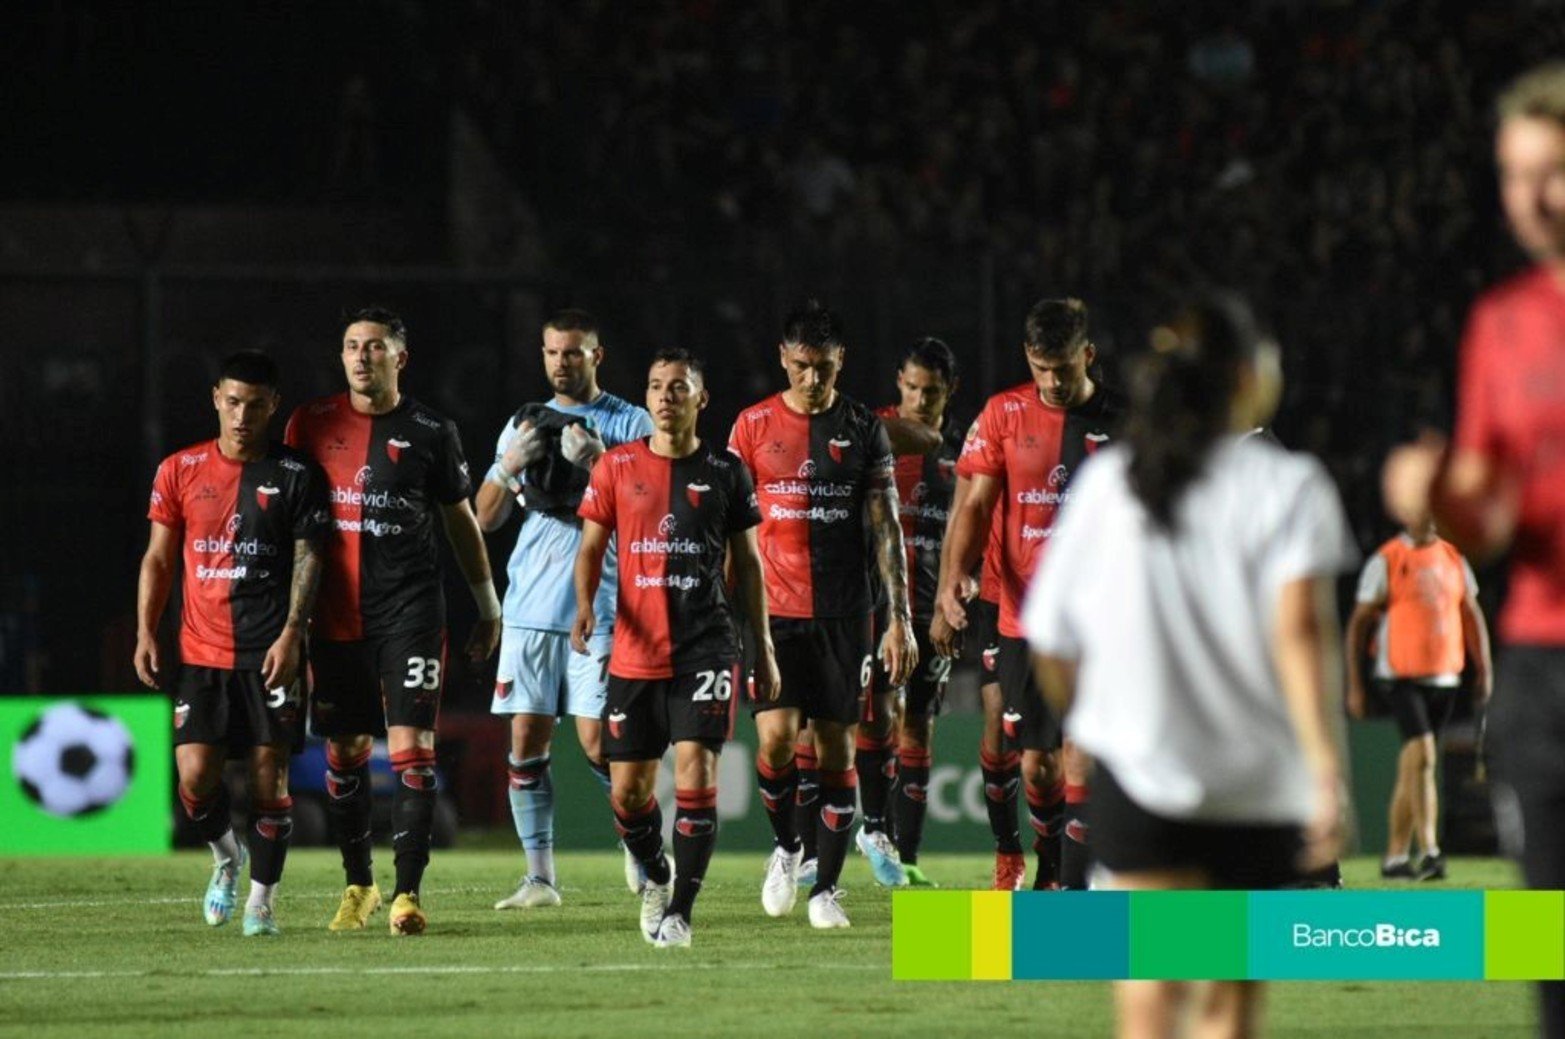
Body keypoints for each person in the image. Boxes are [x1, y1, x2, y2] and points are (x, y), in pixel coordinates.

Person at [1025, 295, 1353, 1039]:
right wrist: (1324, 770)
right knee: (1227, 1008)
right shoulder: (1288, 484)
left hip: (1142, 782)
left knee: (1149, 1004)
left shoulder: (1110, 485)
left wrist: (1098, 725)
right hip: (1255, 790)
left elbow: (1051, 640)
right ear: (1245, 377)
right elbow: (1303, 636)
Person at [1382, 63, 1565, 1039]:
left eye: (1551, 171)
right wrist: (1438, 494)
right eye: (1511, 174)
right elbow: (1490, 520)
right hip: (1543, 668)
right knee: (1553, 957)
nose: (1528, 199)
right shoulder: (1497, 327)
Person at [285, 307, 502, 936]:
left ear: (398, 358)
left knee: (413, 751)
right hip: (334, 616)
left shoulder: (432, 430)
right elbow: (293, 520)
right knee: (347, 750)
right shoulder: (311, 423)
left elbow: (461, 522)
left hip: (409, 610)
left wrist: (489, 606)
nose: (360, 356)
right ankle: (360, 886)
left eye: (373, 347)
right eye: (351, 345)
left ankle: (408, 894)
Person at [571, 348, 779, 947]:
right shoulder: (614, 467)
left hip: (705, 648)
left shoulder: (726, 471)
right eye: (657, 386)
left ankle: (681, 912)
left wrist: (759, 642)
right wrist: (585, 606)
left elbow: (748, 562)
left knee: (696, 775)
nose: (666, 396)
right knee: (628, 792)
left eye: (679, 387)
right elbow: (590, 547)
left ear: (700, 398)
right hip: (635, 654)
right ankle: (657, 871)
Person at [727, 299, 917, 929]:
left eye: (825, 369)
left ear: (842, 363)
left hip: (844, 613)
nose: (813, 380)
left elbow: (887, 527)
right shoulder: (751, 428)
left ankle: (826, 890)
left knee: (837, 751)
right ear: (783, 358)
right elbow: (728, 528)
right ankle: (787, 847)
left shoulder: (863, 428)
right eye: (803, 366)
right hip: (774, 614)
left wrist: (900, 618)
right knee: (778, 742)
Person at [134, 350, 329, 937]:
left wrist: (295, 635)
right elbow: (159, 559)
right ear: (217, 397)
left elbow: (311, 557)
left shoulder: (297, 474)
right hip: (200, 654)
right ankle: (227, 858)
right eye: (233, 401)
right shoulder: (179, 470)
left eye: (256, 404)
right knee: (195, 778)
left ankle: (262, 904)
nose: (243, 415)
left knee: (269, 782)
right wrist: (147, 629)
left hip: (270, 654)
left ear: (274, 405)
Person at [935, 298, 1123, 890]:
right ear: (1028, 359)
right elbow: (975, 505)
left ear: (1087, 356)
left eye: (1063, 369)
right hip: (1022, 618)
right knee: (1038, 768)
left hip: (1099, 624)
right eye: (1041, 369)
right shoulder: (1003, 415)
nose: (1053, 382)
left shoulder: (1124, 421)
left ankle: (1072, 885)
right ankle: (1046, 858)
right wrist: (951, 582)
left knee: (1080, 759)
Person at [474, 309, 653, 909]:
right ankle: (541, 879)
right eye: (552, 352)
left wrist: (600, 465)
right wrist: (507, 465)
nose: (560, 363)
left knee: (600, 743)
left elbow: (656, 511)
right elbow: (486, 516)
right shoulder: (524, 421)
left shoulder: (630, 421)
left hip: (601, 604)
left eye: (573, 353)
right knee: (526, 742)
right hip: (529, 605)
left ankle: (638, 837)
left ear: (596, 356)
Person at [1345, 519, 1491, 881]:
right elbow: (1359, 621)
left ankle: (1395, 857)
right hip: (1399, 674)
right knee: (1424, 753)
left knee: (1414, 765)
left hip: (1444, 674)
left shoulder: (1453, 557)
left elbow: (1470, 612)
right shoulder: (1388, 558)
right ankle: (1430, 851)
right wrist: (1356, 684)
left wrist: (1484, 668)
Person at [868, 337, 964, 887]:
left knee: (918, 727)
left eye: (931, 391)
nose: (920, 400)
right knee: (847, 723)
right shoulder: (873, 434)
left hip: (931, 607)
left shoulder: (966, 449)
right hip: (874, 603)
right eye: (911, 388)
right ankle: (811, 851)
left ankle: (905, 858)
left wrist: (958, 592)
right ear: (898, 385)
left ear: (949, 391)